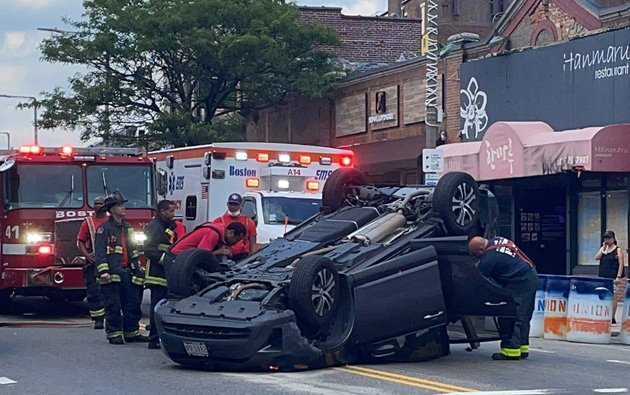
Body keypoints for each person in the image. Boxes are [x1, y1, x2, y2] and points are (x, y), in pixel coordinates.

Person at [468, 236, 538, 361]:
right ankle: (522, 348)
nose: (476, 257)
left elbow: (479, 281)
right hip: (529, 275)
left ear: (480, 249)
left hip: (520, 281)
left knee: (510, 313)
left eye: (475, 254)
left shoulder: (488, 259)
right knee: (524, 314)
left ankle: (511, 350)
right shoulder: (497, 240)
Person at [94, 190, 149, 345]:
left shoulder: (128, 227)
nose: (123, 208)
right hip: (111, 274)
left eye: (123, 204)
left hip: (128, 272)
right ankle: (114, 333)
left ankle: (131, 332)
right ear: (112, 210)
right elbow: (100, 252)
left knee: (132, 303)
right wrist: (103, 271)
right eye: (119, 205)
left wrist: (138, 267)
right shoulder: (104, 229)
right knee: (113, 305)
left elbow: (133, 249)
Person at [143, 200, 177, 349]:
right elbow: (149, 250)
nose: (173, 214)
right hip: (156, 273)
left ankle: (158, 337)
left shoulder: (164, 225)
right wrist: (165, 260)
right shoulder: (155, 227)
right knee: (157, 306)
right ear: (162, 212)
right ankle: (154, 339)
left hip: (163, 271)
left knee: (162, 305)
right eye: (171, 211)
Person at [76, 196, 108, 329]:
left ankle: (111, 317)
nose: (98, 205)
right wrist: (87, 255)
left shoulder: (112, 221)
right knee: (94, 292)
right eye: (96, 203)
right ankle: (98, 319)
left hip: (110, 261)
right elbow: (80, 241)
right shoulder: (88, 222)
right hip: (93, 262)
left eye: (101, 203)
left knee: (110, 291)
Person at [212, 193, 257, 261]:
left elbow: (253, 244)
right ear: (227, 204)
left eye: (236, 204)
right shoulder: (219, 221)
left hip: (243, 256)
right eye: (231, 204)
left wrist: (252, 259)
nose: (233, 207)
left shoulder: (249, 222)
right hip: (224, 256)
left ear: (241, 205)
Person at [595, 229, 627, 324]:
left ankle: (612, 316)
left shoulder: (617, 250)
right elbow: (596, 257)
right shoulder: (603, 249)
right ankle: (604, 314)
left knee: (613, 296)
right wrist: (603, 248)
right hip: (603, 275)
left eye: (609, 238)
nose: (607, 240)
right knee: (603, 295)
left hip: (613, 276)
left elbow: (621, 264)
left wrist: (618, 276)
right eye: (605, 238)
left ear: (613, 239)